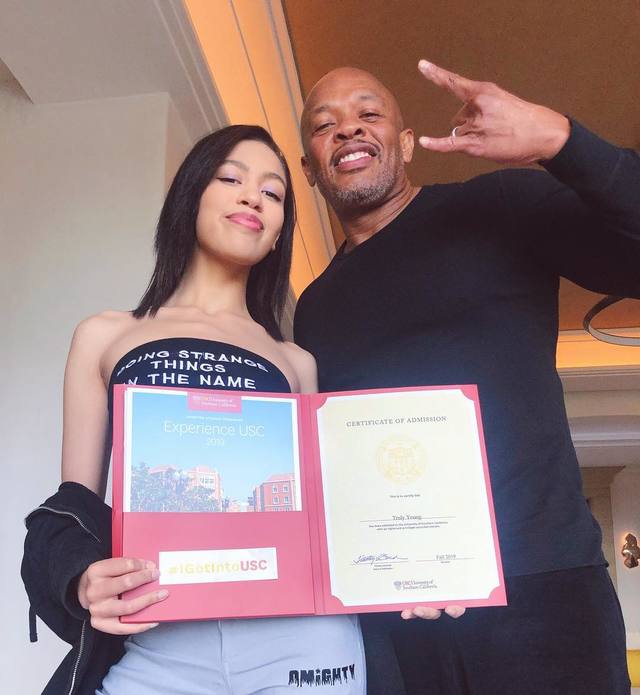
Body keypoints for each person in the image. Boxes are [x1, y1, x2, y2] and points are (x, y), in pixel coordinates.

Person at [293, 61, 640, 695]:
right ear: (310, 168)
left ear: (405, 144)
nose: (348, 130)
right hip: (396, 612)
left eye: (369, 115)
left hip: (543, 590)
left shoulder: (496, 206)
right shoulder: (313, 308)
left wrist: (559, 139)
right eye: (325, 125)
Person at [22, 125, 366, 695]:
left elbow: (322, 516)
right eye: (231, 178)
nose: (253, 197)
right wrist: (83, 579)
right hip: (158, 636)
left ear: (278, 233)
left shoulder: (295, 361)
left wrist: (415, 567)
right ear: (190, 196)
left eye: (273, 193)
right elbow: (75, 503)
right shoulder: (104, 334)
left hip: (300, 636)